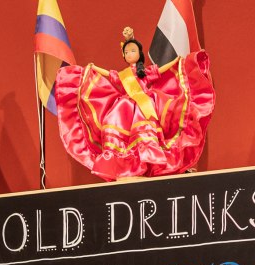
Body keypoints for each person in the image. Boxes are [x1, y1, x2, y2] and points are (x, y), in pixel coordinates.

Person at [53, 26, 214, 181]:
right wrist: (94, 68)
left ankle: (149, 160)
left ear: (139, 53)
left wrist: (176, 62)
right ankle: (128, 166)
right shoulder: (122, 74)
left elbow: (161, 70)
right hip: (125, 108)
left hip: (144, 105)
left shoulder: (145, 72)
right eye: (127, 52)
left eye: (133, 51)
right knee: (118, 127)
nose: (130, 54)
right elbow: (109, 75)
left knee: (146, 132)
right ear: (123, 55)